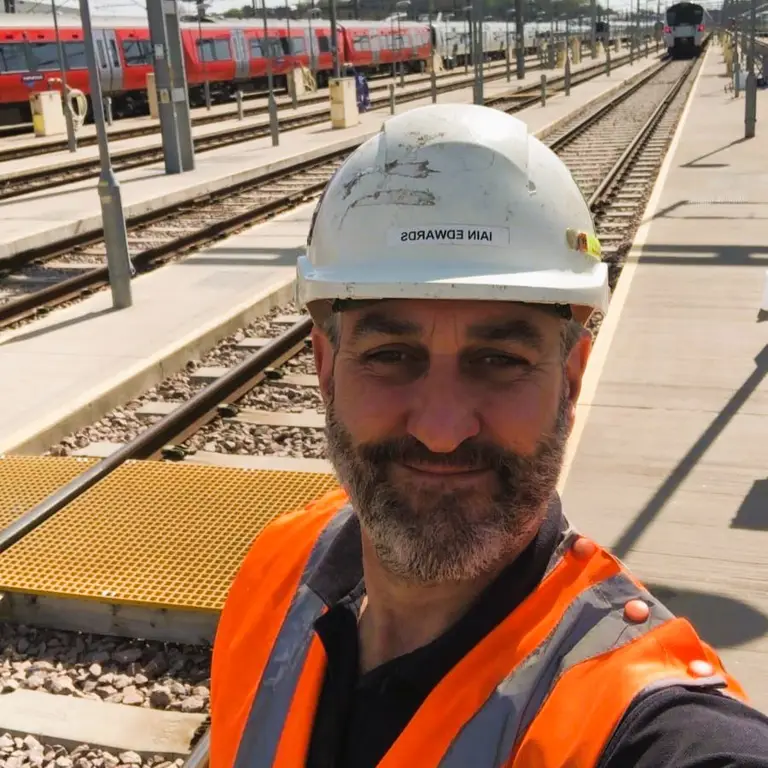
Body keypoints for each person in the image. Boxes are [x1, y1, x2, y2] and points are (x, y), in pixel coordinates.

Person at [210, 103, 768, 767]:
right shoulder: (278, 567)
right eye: (392, 355)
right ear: (326, 370)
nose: (443, 430)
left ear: (570, 377)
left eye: (499, 361)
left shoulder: (639, 718)